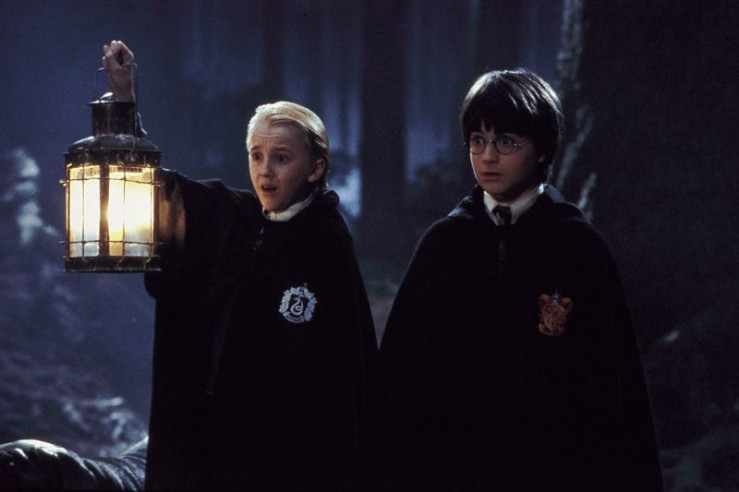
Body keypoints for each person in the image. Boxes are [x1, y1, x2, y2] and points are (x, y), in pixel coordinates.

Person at [0, 40, 377, 491]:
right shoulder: (238, 219)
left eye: (282, 158)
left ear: (315, 168)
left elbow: (338, 384)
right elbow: (158, 190)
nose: (265, 172)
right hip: (216, 443)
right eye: (256, 155)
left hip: (282, 458)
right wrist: (125, 105)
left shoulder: (325, 246)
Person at [373, 69, 663, 491]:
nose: (488, 157)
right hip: (454, 471)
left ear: (542, 149)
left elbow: (613, 387)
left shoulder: (579, 248)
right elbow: (402, 380)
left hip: (552, 471)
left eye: (506, 142)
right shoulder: (444, 245)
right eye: (477, 141)